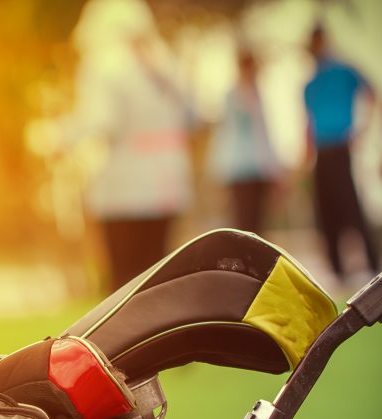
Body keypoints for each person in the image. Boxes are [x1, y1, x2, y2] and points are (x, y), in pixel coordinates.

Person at [56, 0, 195, 292]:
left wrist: (60, 136)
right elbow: (193, 116)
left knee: (123, 285)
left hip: (123, 189)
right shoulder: (164, 62)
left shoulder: (104, 63)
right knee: (154, 280)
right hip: (166, 185)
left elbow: (103, 122)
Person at [303, 23, 379, 284]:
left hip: (341, 148)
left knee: (350, 207)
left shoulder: (344, 71)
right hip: (321, 154)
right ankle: (337, 271)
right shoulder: (310, 83)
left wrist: (362, 130)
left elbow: (372, 93)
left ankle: (371, 266)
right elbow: (308, 124)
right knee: (326, 210)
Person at [209, 46, 282, 237]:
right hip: (238, 170)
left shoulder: (258, 95)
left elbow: (265, 135)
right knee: (242, 221)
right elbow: (224, 135)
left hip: (258, 170)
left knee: (258, 222)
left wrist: (275, 170)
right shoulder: (232, 96)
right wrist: (218, 170)